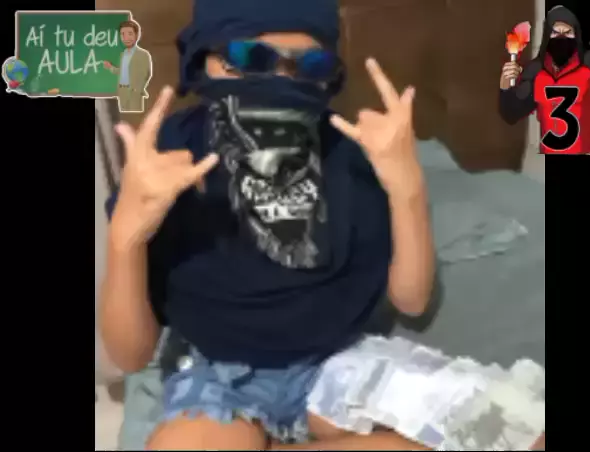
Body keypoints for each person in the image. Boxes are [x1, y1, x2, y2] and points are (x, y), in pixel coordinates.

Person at [100, 0, 437, 449]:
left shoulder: (350, 154)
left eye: (310, 66)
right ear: (203, 56)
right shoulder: (165, 160)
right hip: (219, 374)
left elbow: (412, 300)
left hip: (336, 361)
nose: (280, 81)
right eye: (248, 57)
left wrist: (408, 189)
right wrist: (126, 239)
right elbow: (130, 355)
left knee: (502, 430)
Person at [499, 6, 590, 155]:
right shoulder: (536, 70)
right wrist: (505, 86)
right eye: (555, 32)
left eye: (568, 32)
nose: (561, 37)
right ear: (547, 36)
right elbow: (511, 114)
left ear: (576, 35)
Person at [103, 20, 152, 113]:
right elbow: (123, 71)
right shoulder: (123, 54)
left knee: (134, 116)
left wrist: (137, 90)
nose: (126, 38)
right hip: (122, 91)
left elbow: (146, 73)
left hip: (134, 92)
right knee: (124, 115)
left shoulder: (142, 54)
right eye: (123, 34)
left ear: (137, 35)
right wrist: (110, 67)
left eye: (130, 34)